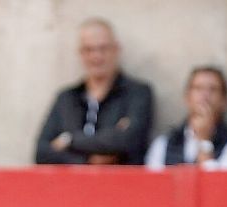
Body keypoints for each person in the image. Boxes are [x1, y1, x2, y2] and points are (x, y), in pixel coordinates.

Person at [35, 17, 153, 165]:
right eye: (89, 49)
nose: (96, 56)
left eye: (103, 48)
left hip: (120, 184)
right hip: (70, 185)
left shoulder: (137, 94)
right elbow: (42, 153)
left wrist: (69, 140)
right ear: (81, 53)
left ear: (116, 49)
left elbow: (127, 140)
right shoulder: (66, 98)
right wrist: (88, 161)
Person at [145, 66, 227, 170]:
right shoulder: (164, 143)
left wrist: (204, 142)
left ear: (224, 100)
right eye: (198, 88)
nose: (205, 95)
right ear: (187, 97)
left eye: (213, 89)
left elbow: (221, 185)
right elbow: (153, 183)